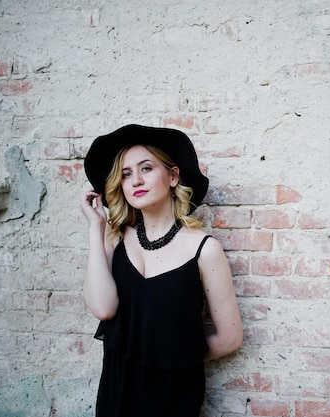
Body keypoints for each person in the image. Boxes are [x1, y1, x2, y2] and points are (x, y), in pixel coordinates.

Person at [80, 124, 243, 417]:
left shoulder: (204, 249)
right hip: (116, 394)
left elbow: (229, 338)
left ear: (172, 176)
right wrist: (96, 227)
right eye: (126, 174)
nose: (135, 180)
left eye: (146, 168)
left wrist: (173, 357)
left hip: (174, 396)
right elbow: (103, 309)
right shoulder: (114, 238)